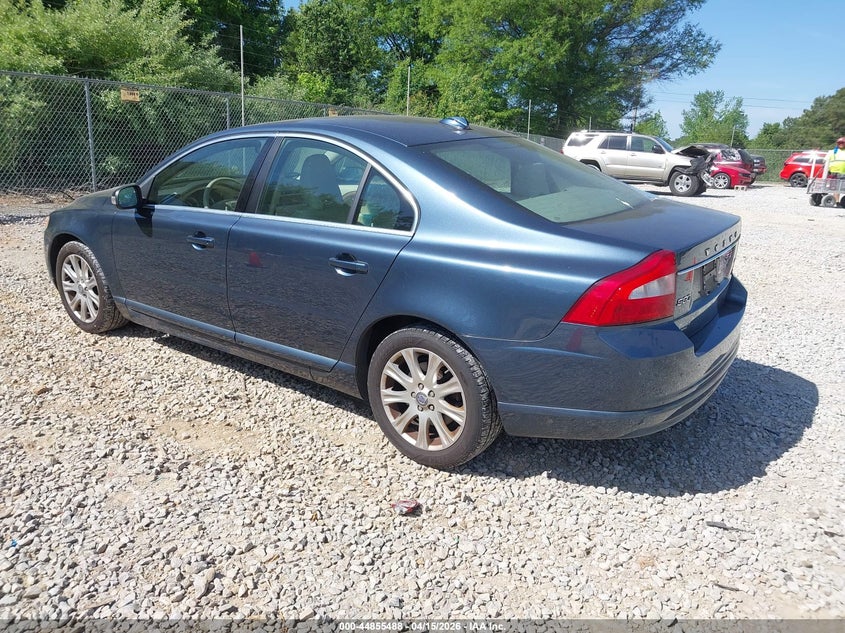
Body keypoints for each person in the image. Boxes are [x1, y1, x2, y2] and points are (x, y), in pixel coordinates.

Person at [823, 137, 845, 204]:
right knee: (836, 188)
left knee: (838, 188)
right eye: (839, 143)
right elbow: (825, 161)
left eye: (842, 143)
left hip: (843, 173)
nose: (841, 144)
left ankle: (839, 202)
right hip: (835, 173)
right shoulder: (832, 152)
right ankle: (836, 202)